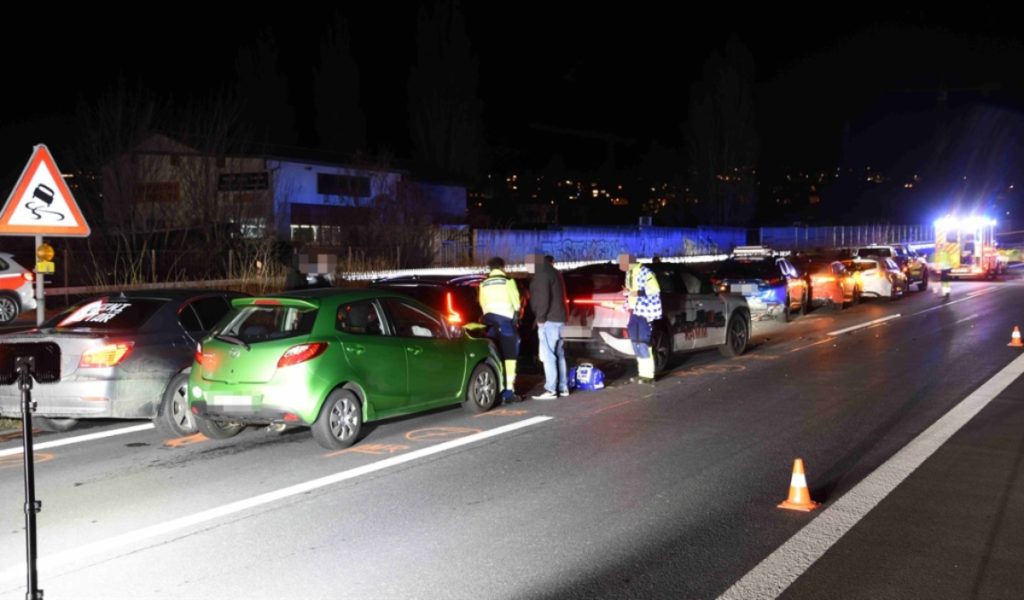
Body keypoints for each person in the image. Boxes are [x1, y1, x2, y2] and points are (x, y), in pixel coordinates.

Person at [479, 257, 522, 404]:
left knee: (496, 357)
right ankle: (509, 392)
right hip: (506, 325)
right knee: (510, 358)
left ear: (490, 268)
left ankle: (496, 389)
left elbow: (483, 305)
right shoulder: (508, 281)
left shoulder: (483, 284)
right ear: (503, 267)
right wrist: (516, 317)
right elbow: (516, 303)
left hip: (490, 325)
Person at [528, 253, 569, 400]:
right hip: (560, 319)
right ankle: (563, 387)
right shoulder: (555, 272)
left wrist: (540, 318)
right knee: (559, 354)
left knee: (548, 355)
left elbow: (543, 297)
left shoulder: (542, 274)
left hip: (549, 321)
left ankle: (551, 389)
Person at [619, 253, 662, 385]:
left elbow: (655, 289)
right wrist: (628, 291)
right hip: (634, 311)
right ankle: (642, 374)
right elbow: (631, 290)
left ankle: (648, 375)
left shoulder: (645, 272)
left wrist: (633, 293)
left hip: (645, 311)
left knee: (643, 343)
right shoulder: (629, 273)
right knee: (636, 343)